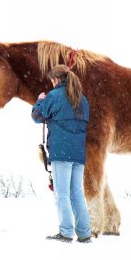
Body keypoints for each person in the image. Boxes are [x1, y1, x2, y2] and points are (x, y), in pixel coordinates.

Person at [31, 64, 92, 243]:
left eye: (51, 81)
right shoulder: (82, 100)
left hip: (61, 152)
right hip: (78, 154)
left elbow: (37, 116)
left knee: (62, 193)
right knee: (77, 193)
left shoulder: (54, 96)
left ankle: (66, 232)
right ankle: (84, 233)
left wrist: (40, 100)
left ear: (56, 79)